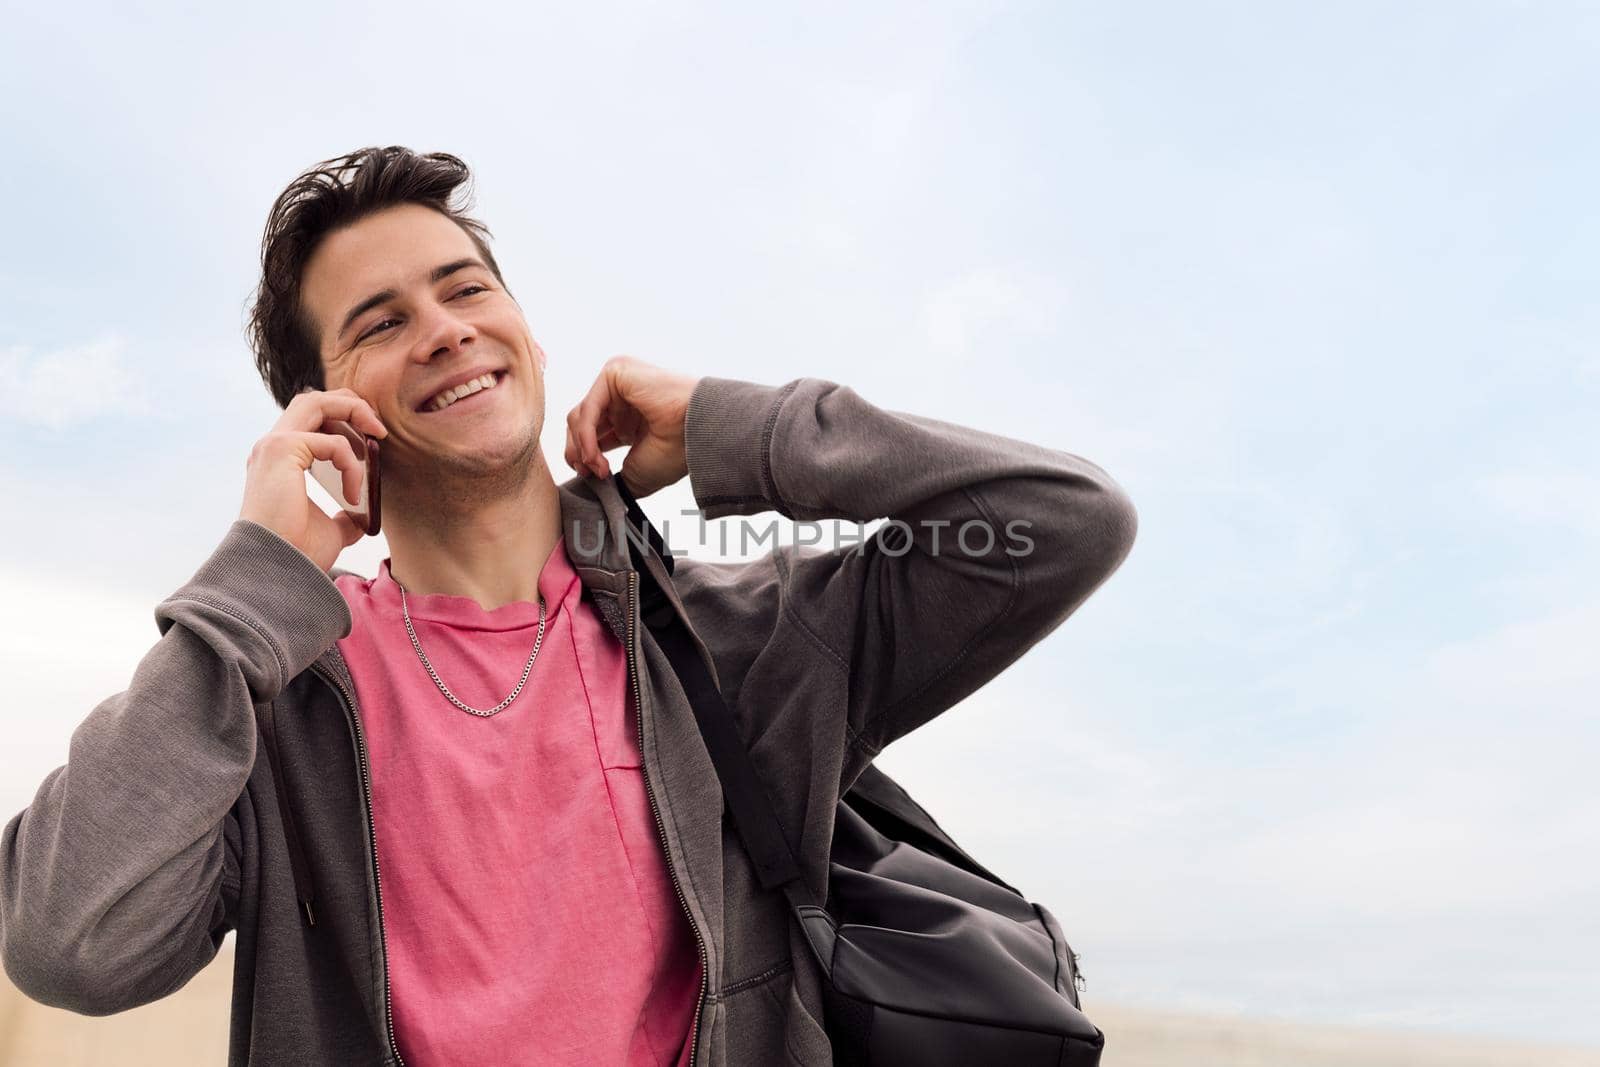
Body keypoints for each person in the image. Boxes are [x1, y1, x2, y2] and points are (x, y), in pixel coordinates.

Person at [0, 146, 1138, 1067]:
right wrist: (255, 579)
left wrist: (739, 427)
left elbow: (1063, 521)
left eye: (465, 289)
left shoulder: (739, 640)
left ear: (526, 339)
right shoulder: (276, 695)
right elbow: (71, 943)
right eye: (381, 321)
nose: (445, 328)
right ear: (326, 410)